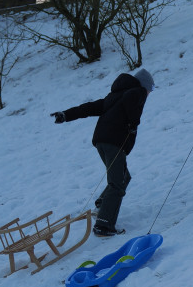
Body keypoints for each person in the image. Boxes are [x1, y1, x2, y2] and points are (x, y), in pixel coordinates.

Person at [51, 69, 154, 237]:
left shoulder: (114, 96)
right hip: (114, 142)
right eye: (150, 89)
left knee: (123, 176)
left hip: (102, 141)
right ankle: (104, 225)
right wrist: (133, 122)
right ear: (145, 86)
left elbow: (90, 107)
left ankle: (102, 206)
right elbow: (132, 101)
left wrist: (66, 115)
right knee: (118, 183)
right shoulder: (137, 91)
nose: (149, 93)